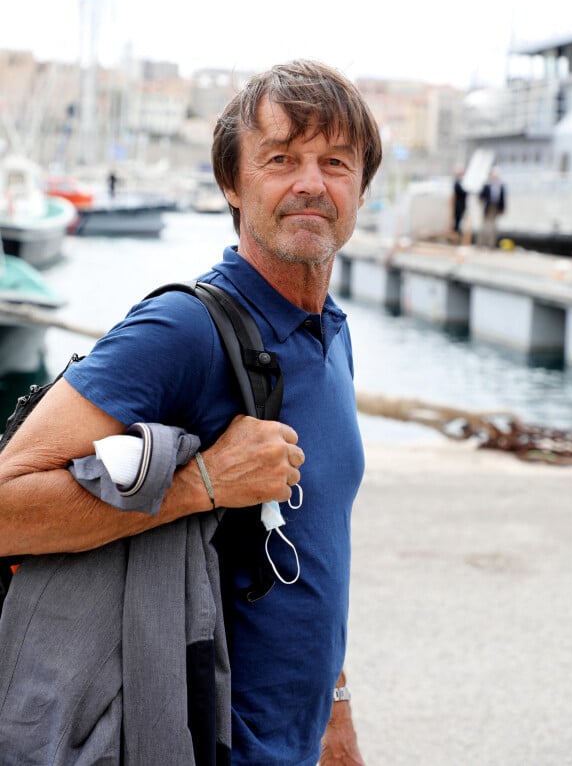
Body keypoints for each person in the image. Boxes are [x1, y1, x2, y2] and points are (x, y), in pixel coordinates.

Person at [0, 59, 382, 765]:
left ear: (361, 186)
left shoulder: (328, 332)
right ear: (232, 185)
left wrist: (335, 709)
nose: (310, 183)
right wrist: (203, 483)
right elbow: (4, 504)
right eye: (280, 159)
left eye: (335, 161)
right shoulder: (184, 331)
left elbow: (313, 547)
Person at [477, 168, 507, 248]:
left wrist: (502, 209)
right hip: (488, 207)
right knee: (484, 226)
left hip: (496, 207)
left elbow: (503, 199)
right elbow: (481, 196)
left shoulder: (501, 186)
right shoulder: (487, 186)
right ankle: (480, 243)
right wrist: (481, 201)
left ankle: (491, 244)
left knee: (493, 227)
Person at [452, 165, 467, 236]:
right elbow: (460, 191)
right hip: (458, 204)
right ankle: (456, 232)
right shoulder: (457, 182)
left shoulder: (462, 181)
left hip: (462, 204)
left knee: (460, 219)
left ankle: (457, 231)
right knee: (457, 220)